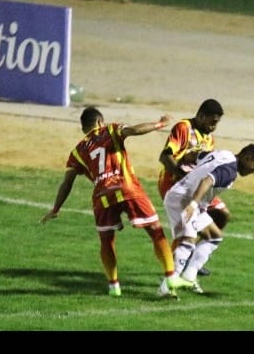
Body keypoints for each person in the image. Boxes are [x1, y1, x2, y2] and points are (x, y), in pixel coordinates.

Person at [40, 106, 193, 299]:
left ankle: (114, 287)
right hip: (127, 187)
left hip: (102, 196)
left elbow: (67, 182)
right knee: (155, 231)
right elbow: (134, 130)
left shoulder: (77, 152)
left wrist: (56, 208)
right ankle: (171, 277)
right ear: (99, 122)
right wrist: (160, 124)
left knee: (107, 241)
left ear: (84, 128)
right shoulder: (110, 130)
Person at [157, 143, 254, 297]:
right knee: (188, 241)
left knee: (214, 236)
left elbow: (193, 156)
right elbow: (207, 180)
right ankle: (166, 288)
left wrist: (184, 172)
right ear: (247, 158)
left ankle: (189, 276)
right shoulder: (230, 170)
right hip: (185, 200)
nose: (253, 172)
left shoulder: (223, 154)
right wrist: (193, 203)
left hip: (188, 198)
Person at [157, 98, 229, 276]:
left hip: (195, 186)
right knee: (185, 229)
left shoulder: (209, 138)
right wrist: (183, 177)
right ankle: (173, 270)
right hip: (173, 183)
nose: (214, 127)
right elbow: (165, 157)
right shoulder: (184, 128)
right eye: (212, 122)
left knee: (222, 213)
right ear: (201, 116)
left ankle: (191, 257)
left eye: (217, 123)